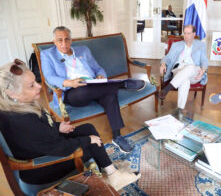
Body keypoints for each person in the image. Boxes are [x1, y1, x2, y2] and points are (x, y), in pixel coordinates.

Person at [0, 60, 141, 191]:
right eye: (31, 85)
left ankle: (111, 173)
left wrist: (57, 127)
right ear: (12, 93)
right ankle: (114, 176)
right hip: (45, 168)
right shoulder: (22, 120)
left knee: (88, 128)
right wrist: (87, 140)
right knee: (93, 142)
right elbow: (58, 148)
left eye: (35, 81)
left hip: (45, 149)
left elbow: (40, 133)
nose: (38, 86)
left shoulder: (19, 107)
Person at [41, 26, 146, 153]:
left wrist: (101, 75)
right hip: (73, 92)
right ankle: (122, 84)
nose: (64, 43)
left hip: (95, 85)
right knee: (88, 89)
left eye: (67, 39)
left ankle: (117, 136)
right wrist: (69, 82)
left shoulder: (83, 50)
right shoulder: (47, 54)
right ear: (54, 41)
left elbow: (98, 68)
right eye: (60, 40)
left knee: (110, 97)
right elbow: (49, 77)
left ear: (71, 40)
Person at [158, 25, 208, 112]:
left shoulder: (201, 45)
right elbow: (167, 57)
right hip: (179, 70)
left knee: (190, 67)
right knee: (185, 81)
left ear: (193, 34)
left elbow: (204, 60)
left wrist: (203, 71)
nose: (186, 36)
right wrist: (163, 64)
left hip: (194, 72)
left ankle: (166, 89)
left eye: (188, 33)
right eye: (184, 33)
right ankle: (180, 110)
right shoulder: (176, 45)